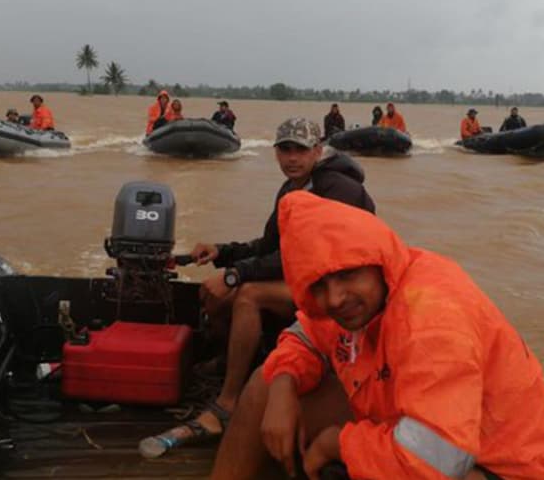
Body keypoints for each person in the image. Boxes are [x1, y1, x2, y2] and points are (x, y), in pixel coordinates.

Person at [211, 192, 544, 480]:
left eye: (346, 275)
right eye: (318, 285)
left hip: (502, 468)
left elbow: (437, 462)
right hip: (421, 429)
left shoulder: (431, 316)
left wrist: (338, 444)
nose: (335, 298)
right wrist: (283, 389)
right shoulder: (357, 302)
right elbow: (304, 331)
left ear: (378, 259)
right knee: (264, 382)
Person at [139, 118, 375, 458]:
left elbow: (308, 255)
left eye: (301, 150)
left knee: (248, 295)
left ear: (318, 151)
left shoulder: (339, 189)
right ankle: (227, 362)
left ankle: (228, 403)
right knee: (213, 295)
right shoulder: (292, 188)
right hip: (310, 280)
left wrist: (236, 275)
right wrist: (223, 253)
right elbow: (268, 247)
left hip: (343, 290)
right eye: (285, 149)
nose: (292, 158)